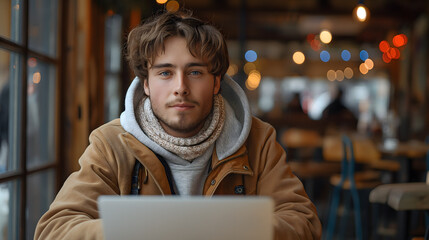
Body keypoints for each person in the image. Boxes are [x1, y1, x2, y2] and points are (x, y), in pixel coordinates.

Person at [35, 10, 322, 240]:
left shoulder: (258, 140)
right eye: (165, 73)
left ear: (216, 82)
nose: (180, 87)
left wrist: (228, 230)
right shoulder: (111, 143)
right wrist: (139, 230)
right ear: (145, 83)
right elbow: (54, 230)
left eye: (195, 72)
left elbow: (303, 222)